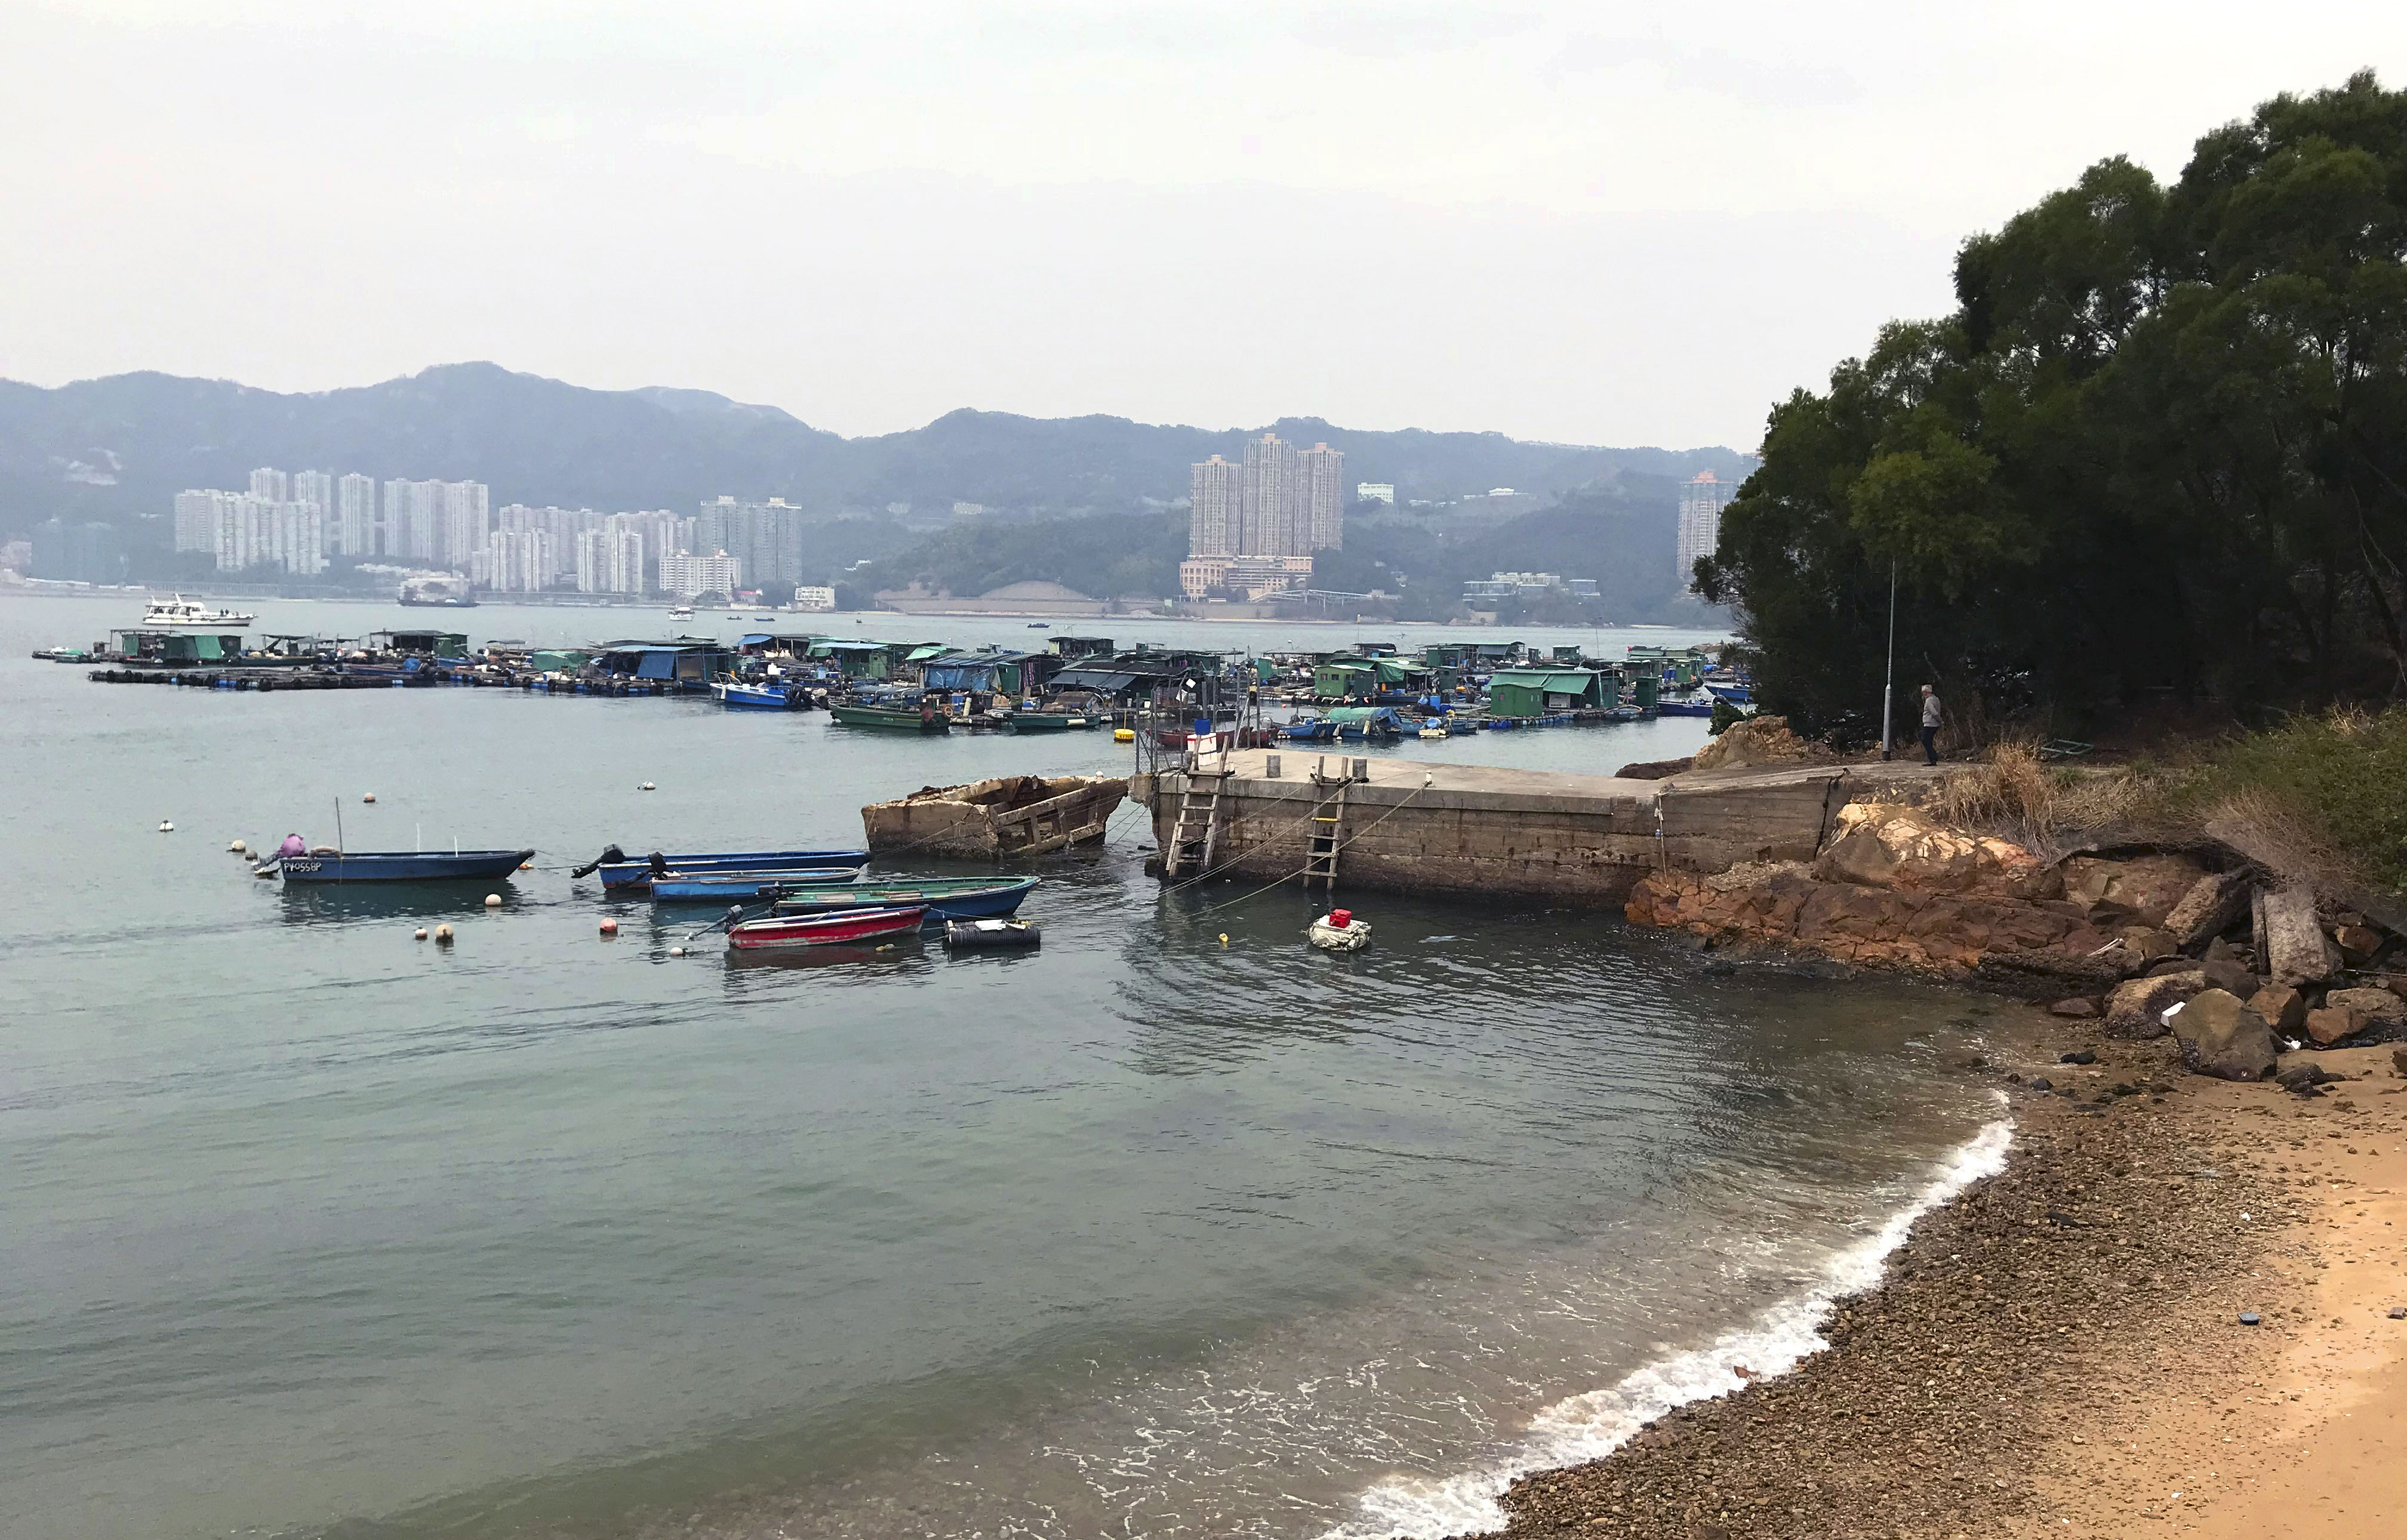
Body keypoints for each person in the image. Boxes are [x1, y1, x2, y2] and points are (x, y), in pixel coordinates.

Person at [1919, 684, 1943, 766]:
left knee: (1926, 741)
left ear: (1926, 692)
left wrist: (1940, 721)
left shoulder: (1929, 701)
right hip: (1935, 724)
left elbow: (1934, 712)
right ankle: (1934, 757)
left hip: (1930, 724)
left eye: (1923, 692)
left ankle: (1933, 758)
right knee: (1928, 741)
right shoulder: (1936, 699)